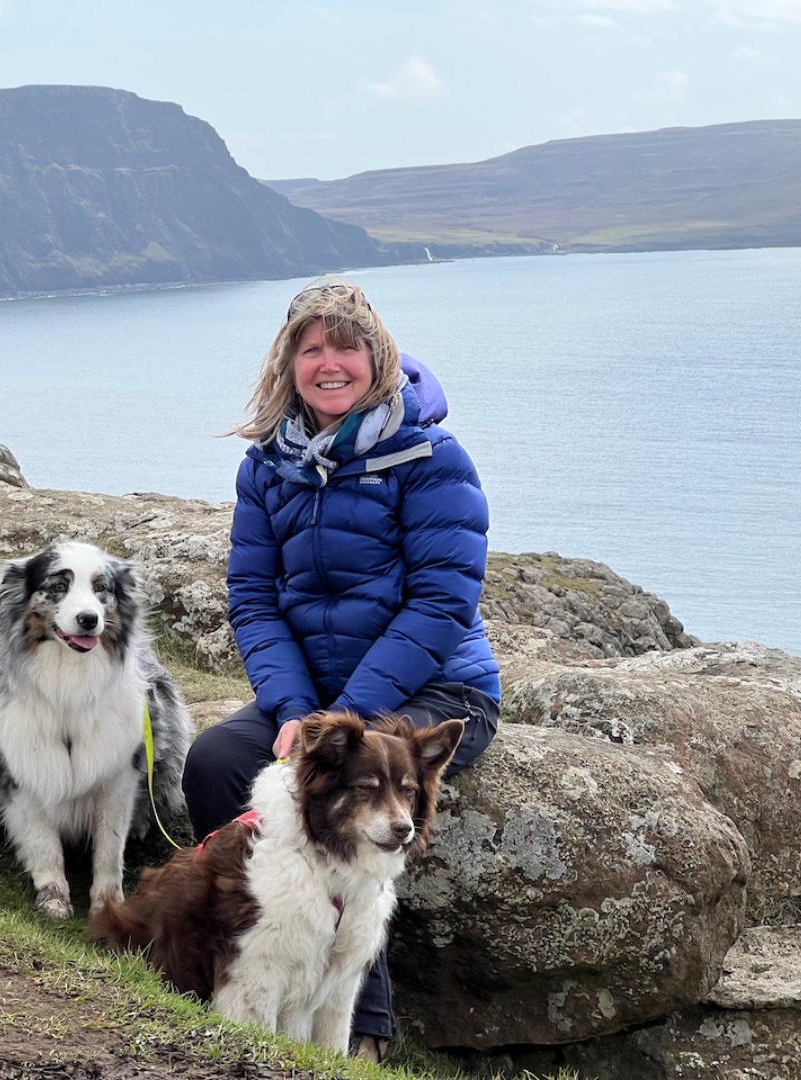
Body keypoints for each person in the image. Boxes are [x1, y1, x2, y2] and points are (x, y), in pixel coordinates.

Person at [181, 279, 500, 1062]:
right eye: (311, 348)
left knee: (367, 776)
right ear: (289, 362)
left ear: (377, 355)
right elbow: (252, 597)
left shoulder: (430, 456)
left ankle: (359, 1024)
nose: (330, 364)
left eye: (346, 346)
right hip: (322, 700)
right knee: (216, 763)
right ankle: (244, 967)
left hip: (436, 685)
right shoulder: (267, 465)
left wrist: (342, 721)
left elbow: (440, 600)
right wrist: (295, 708)